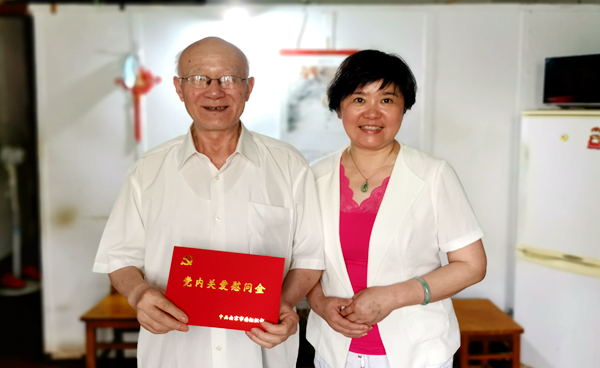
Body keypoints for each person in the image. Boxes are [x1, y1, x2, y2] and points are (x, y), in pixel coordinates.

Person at [93, 37, 324, 368]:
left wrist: (285, 302)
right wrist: (138, 294)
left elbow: (310, 256)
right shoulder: (148, 170)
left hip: (259, 353)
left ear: (248, 88)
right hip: (173, 354)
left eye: (229, 79)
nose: (215, 92)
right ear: (179, 88)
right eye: (199, 79)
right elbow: (119, 257)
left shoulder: (289, 166)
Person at [305, 50, 487, 368]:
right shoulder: (314, 177)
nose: (372, 113)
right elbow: (304, 259)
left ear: (404, 108)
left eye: (387, 100)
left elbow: (472, 265)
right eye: (359, 99)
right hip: (334, 349)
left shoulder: (433, 174)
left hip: (418, 352)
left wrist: (392, 297)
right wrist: (319, 303)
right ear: (338, 108)